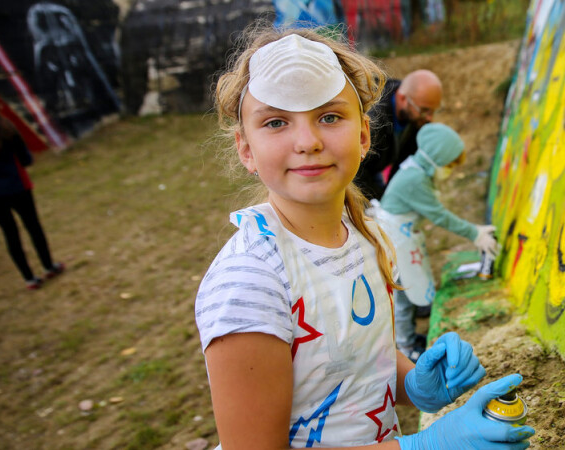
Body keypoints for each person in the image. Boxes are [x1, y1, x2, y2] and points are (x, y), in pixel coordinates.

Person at [194, 25, 534, 449]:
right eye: (277, 121)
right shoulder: (248, 282)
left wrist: (415, 384)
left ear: (364, 134)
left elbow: (353, 361)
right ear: (247, 150)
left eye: (329, 116)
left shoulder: (364, 234)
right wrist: (422, 446)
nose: (308, 142)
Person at [374, 123, 498, 362]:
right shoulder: (414, 179)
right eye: (450, 165)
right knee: (403, 293)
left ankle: (408, 336)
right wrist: (474, 234)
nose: (451, 171)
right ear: (438, 159)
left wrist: (474, 230)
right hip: (394, 240)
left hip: (401, 235)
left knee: (409, 290)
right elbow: (439, 216)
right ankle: (406, 346)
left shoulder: (417, 170)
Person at [0, 96, 64, 290]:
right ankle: (48, 265)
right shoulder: (5, 127)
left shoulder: (4, 127)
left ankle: (29, 278)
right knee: (33, 225)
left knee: (10, 233)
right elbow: (25, 159)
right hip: (16, 186)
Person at [354, 69, 443, 200]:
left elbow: (404, 164)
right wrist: (379, 202)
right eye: (425, 110)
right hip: (357, 170)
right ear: (402, 98)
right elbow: (357, 171)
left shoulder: (416, 119)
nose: (430, 118)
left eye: (432, 111)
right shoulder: (373, 120)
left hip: (374, 167)